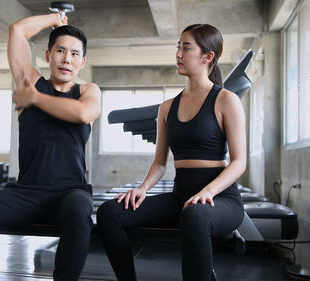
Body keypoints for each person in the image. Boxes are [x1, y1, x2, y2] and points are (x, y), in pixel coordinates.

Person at [0, 13, 101, 281]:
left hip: (69, 192)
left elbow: (83, 114)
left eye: (75, 54)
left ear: (82, 61)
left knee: (80, 209)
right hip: (26, 193)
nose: (67, 59)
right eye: (60, 51)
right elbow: (17, 31)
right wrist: (55, 19)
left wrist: (34, 98)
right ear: (48, 55)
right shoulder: (29, 81)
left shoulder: (88, 90)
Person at [96, 23, 246, 281]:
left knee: (195, 213)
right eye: (178, 46)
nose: (178, 53)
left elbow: (239, 162)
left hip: (220, 199)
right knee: (109, 212)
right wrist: (142, 188)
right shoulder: (167, 107)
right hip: (181, 196)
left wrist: (206, 192)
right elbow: (160, 163)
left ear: (207, 57)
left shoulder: (225, 100)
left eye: (185, 48)